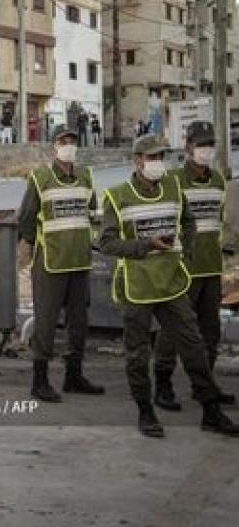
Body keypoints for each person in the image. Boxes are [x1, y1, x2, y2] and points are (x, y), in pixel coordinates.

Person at [100, 133, 239, 438]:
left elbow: (189, 222)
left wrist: (185, 253)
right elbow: (107, 243)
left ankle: (211, 411)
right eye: (152, 157)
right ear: (137, 161)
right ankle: (146, 411)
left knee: (193, 346)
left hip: (172, 283)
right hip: (138, 286)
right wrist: (145, 245)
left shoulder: (174, 188)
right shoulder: (117, 196)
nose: (158, 163)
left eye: (161, 157)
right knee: (138, 353)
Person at [17, 124, 105, 402]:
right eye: (63, 141)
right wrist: (28, 248)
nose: (68, 145)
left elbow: (91, 212)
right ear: (54, 146)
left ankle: (73, 375)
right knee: (46, 321)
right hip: (50, 262)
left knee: (79, 322)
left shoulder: (86, 176)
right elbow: (27, 217)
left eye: (72, 141)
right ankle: (39, 381)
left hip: (79, 261)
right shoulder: (40, 177)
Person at [153, 121, 236, 411]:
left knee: (210, 332)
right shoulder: (173, 181)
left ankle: (204, 386)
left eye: (210, 144)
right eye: (201, 144)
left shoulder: (218, 181)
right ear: (188, 147)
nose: (206, 150)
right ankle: (162, 386)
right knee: (173, 331)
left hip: (210, 269)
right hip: (181, 270)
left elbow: (218, 223)